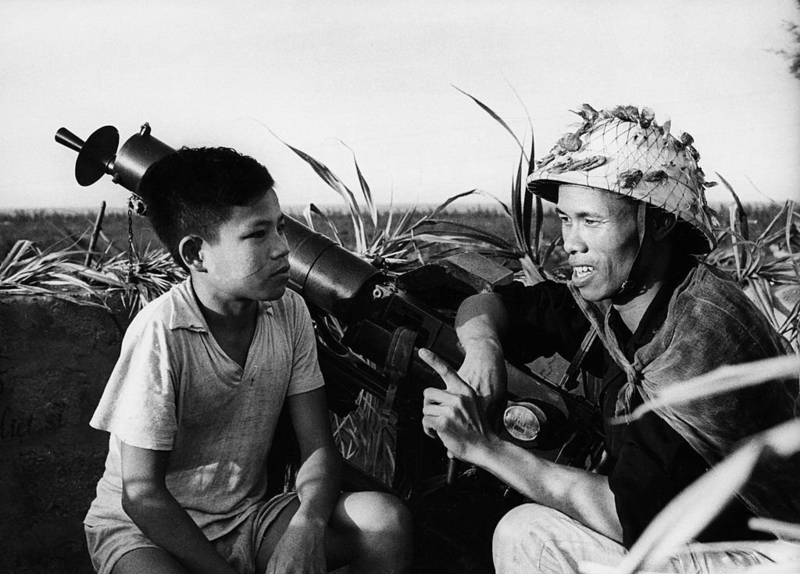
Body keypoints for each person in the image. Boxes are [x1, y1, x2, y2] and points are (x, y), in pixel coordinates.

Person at [419, 105, 800, 573]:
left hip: (770, 554)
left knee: (529, 537)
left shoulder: (696, 341)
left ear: (657, 223)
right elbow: (492, 304)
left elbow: (628, 517)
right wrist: (484, 349)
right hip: (701, 541)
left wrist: (485, 447)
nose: (570, 243)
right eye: (565, 219)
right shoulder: (623, 298)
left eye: (591, 222)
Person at [83, 147, 412, 574]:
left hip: (246, 518)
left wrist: (306, 528)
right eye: (257, 235)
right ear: (196, 255)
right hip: (147, 533)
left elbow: (318, 447)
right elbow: (142, 494)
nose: (282, 249)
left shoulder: (289, 311)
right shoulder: (161, 333)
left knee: (384, 523)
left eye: (279, 228)